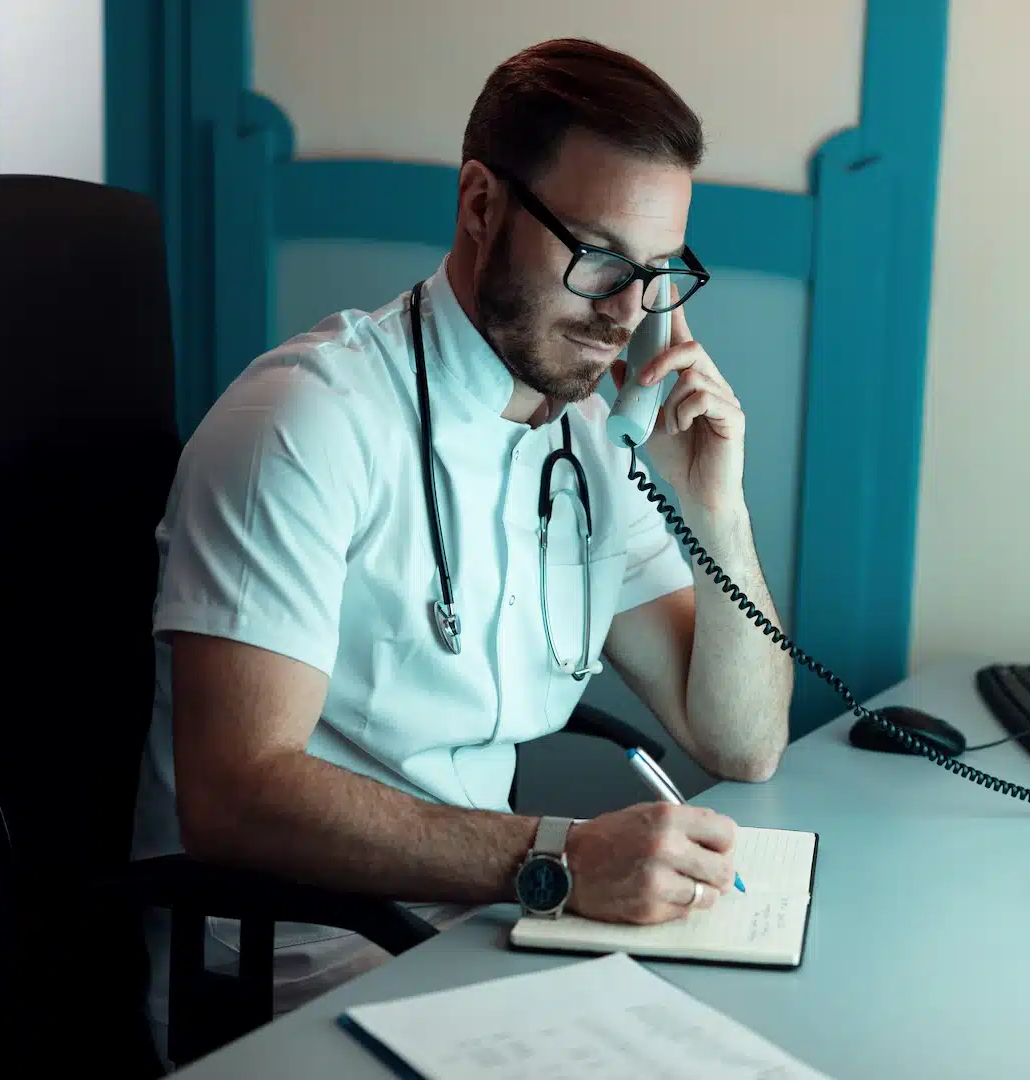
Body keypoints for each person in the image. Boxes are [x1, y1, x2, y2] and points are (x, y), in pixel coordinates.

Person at [130, 37, 793, 1059]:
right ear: (482, 205)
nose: (627, 314)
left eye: (657, 273)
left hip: (485, 931)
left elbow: (741, 741)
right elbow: (236, 794)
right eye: (599, 256)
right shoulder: (306, 423)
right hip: (296, 966)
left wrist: (719, 507)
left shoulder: (587, 438)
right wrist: (559, 856)